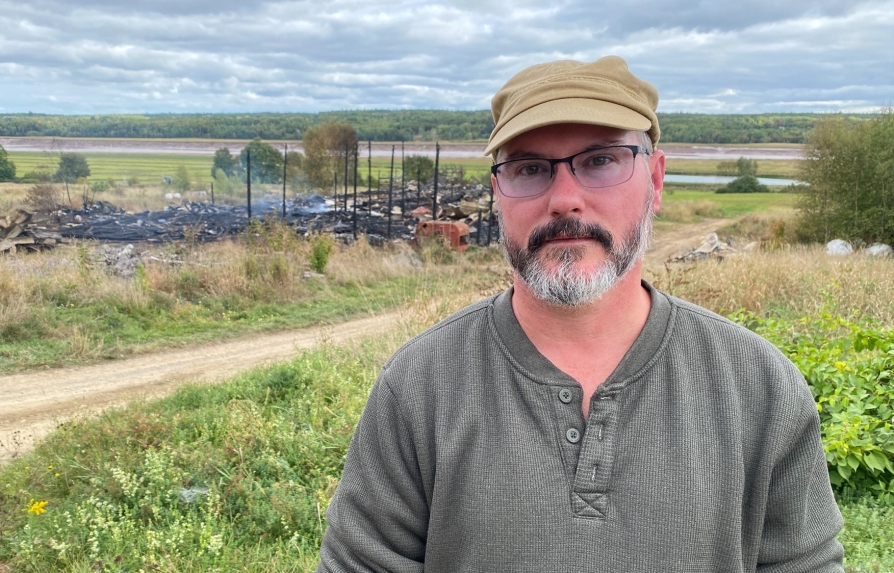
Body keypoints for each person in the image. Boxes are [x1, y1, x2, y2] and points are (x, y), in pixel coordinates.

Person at [316, 56, 844, 572]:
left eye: (600, 160)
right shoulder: (419, 387)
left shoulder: (759, 386)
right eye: (529, 169)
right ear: (497, 191)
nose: (564, 199)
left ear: (655, 180)